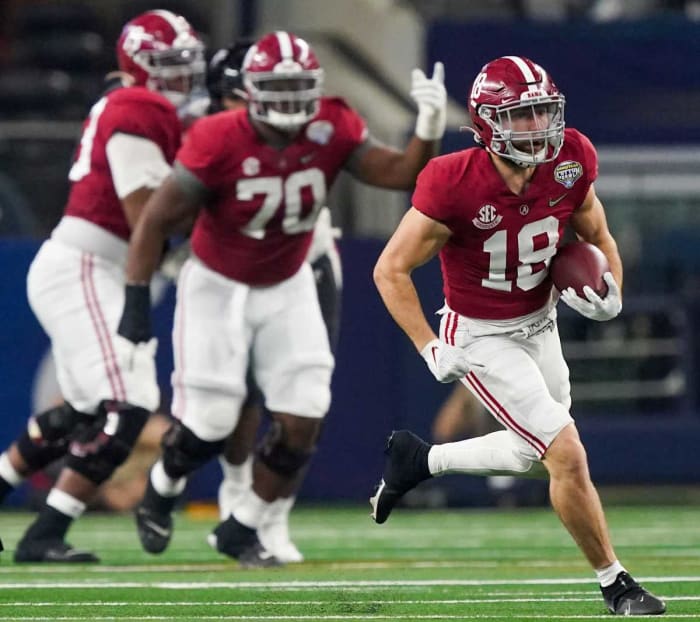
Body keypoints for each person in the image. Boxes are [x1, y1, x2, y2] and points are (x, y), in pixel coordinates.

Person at [117, 30, 446, 568]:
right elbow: (155, 219)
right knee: (212, 421)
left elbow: (399, 173)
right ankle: (163, 483)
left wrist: (428, 129)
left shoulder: (332, 124)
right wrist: (135, 305)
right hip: (218, 284)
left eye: (300, 88)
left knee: (305, 413)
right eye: (278, 87)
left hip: (289, 279)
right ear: (250, 90)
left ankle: (241, 526)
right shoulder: (217, 135)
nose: (292, 101)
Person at [368, 56, 666, 616]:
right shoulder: (453, 181)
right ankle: (616, 583)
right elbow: (390, 269)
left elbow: (597, 232)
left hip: (542, 323)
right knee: (566, 453)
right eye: (522, 116)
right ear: (486, 124)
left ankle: (418, 462)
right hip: (482, 334)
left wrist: (613, 293)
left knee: (533, 455)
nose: (537, 128)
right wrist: (430, 345)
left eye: (542, 113)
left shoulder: (572, 158)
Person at [0, 9, 205, 562]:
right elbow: (148, 217)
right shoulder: (136, 107)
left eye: (187, 64)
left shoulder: (145, 107)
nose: (181, 76)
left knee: (84, 414)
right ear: (137, 67)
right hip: (88, 263)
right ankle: (46, 533)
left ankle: (33, 522)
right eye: (168, 65)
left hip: (94, 265)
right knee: (128, 404)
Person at [206, 40, 343, 563]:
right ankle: (236, 492)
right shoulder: (214, 134)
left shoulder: (314, 127)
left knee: (306, 400)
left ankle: (270, 515)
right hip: (235, 273)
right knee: (235, 396)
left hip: (306, 263)